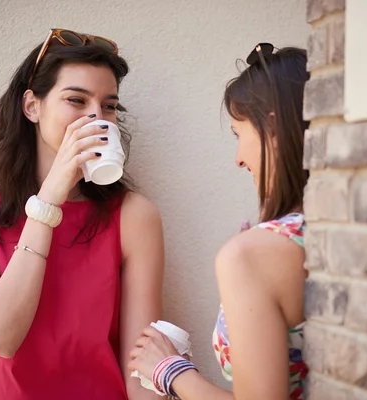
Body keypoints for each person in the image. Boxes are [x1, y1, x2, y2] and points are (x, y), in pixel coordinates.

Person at [0, 28, 164, 400]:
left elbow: (141, 373)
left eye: (108, 105)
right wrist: (51, 198)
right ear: (32, 106)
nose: (96, 116)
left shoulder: (134, 216)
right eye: (77, 100)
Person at [128, 44, 310, 400]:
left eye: (239, 134)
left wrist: (171, 371)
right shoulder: (345, 228)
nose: (239, 159)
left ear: (272, 128)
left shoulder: (255, 254)